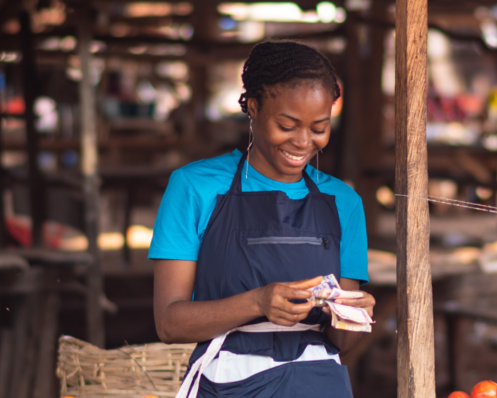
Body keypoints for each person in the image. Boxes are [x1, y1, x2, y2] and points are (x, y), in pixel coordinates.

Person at [150, 40, 376, 398]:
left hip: (318, 384)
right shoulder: (195, 186)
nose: (303, 142)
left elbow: (342, 344)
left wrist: (354, 314)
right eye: (287, 125)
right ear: (253, 107)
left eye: (319, 127)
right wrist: (257, 303)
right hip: (229, 384)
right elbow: (169, 322)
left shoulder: (343, 201)